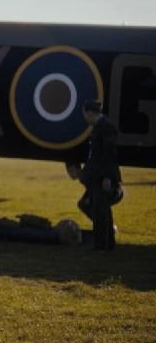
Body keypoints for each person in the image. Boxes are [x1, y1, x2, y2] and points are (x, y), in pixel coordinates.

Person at [69, 100, 120, 251]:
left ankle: (101, 245)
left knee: (100, 211)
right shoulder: (99, 127)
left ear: (89, 113)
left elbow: (109, 155)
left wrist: (107, 178)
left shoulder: (106, 127)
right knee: (101, 209)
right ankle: (108, 244)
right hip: (97, 176)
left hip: (102, 177)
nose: (84, 117)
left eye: (85, 114)